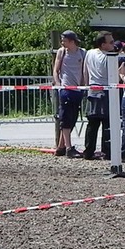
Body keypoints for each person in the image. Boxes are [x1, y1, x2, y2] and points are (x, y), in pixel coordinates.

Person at [53, 30, 86, 158]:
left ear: (72, 41)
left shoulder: (82, 52)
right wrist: (58, 83)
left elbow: (84, 70)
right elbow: (56, 69)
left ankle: (61, 147)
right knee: (66, 118)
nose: (62, 43)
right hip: (66, 89)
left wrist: (83, 85)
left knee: (73, 118)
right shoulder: (62, 52)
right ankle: (68, 148)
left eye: (64, 40)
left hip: (77, 89)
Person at [83, 30, 115, 159]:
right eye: (111, 42)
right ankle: (107, 152)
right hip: (106, 90)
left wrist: (87, 86)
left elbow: (85, 71)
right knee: (107, 123)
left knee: (92, 123)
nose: (113, 44)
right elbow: (112, 75)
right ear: (103, 45)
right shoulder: (109, 57)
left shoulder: (89, 53)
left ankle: (88, 151)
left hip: (92, 89)